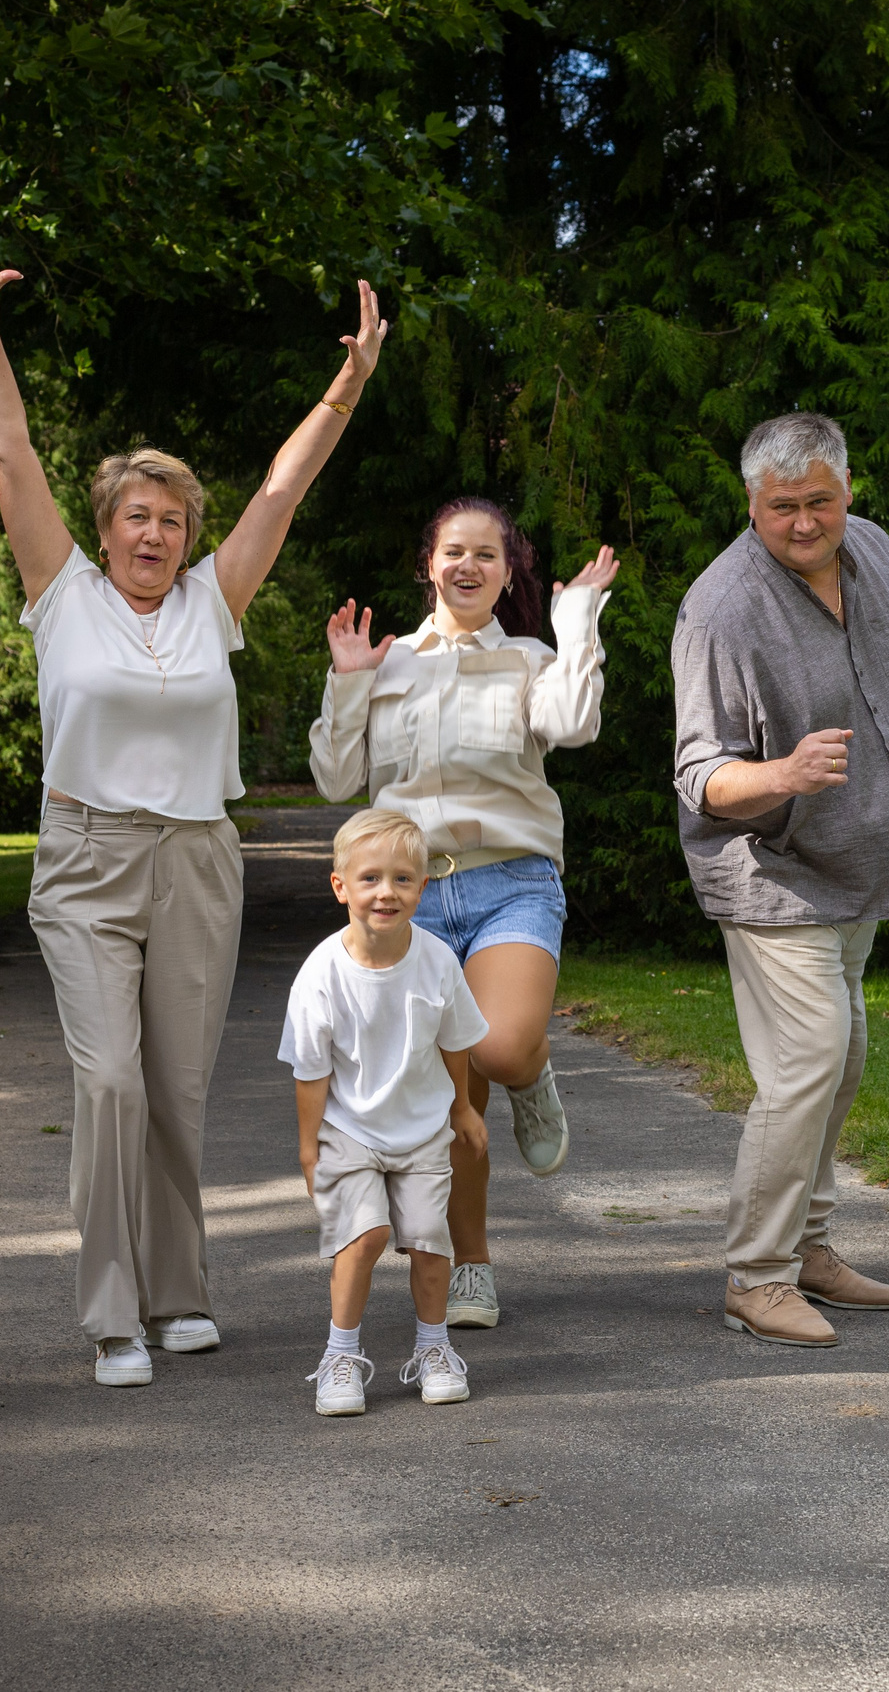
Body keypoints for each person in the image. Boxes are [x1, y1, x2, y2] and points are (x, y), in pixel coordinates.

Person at [0, 210, 389, 1385]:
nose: (155, 532)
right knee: (107, 1082)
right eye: (136, 516)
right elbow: (11, 455)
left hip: (197, 857)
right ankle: (110, 1316)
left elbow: (282, 493)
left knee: (179, 1092)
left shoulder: (211, 602)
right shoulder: (61, 591)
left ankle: (180, 1291)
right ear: (103, 531)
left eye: (173, 519)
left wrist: (346, 387)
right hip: (85, 857)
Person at [309, 503, 616, 1330]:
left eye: (487, 554)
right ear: (429, 564)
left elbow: (570, 723)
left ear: (507, 573)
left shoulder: (528, 659)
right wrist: (347, 679)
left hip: (510, 881)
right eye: (454, 552)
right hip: (409, 901)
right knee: (451, 1107)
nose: (469, 566)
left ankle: (533, 1073)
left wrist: (577, 617)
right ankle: (472, 1262)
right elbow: (339, 780)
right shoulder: (388, 661)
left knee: (503, 1045)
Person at [671, 411, 889, 1348]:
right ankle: (758, 1273)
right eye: (782, 507)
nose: (804, 522)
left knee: (842, 1061)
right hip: (772, 872)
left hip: (857, 869)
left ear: (849, 489)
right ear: (752, 502)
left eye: (820, 500)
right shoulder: (722, 608)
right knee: (806, 1063)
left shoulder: (874, 552)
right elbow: (699, 773)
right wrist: (781, 774)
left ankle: (810, 1249)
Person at [280, 809, 491, 1416]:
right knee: (363, 1235)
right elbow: (310, 1069)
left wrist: (463, 1110)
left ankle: (434, 1348)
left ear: (423, 888)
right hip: (348, 1128)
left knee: (430, 1244)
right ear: (340, 886)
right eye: (370, 878)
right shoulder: (322, 974)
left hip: (422, 1128)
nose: (386, 892)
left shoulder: (437, 961)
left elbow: (455, 1042)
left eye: (403, 879)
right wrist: (308, 1144)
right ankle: (340, 1356)